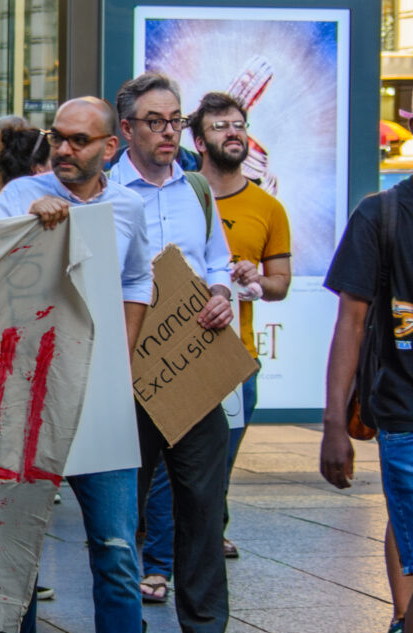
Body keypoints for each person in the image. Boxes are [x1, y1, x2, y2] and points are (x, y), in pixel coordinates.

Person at [0, 97, 152, 633]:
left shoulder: (126, 208)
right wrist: (25, 229)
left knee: (117, 552)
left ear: (110, 148)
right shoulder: (18, 196)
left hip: (99, 402)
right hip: (26, 400)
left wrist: (120, 353)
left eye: (79, 140)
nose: (63, 148)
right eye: (57, 137)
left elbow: (135, 279)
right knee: (16, 560)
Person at [138, 91, 292, 602]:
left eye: (240, 124)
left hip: (226, 358)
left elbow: (278, 283)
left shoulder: (265, 206)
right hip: (153, 358)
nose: (235, 133)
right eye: (222, 125)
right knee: (159, 476)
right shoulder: (180, 190)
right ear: (198, 139)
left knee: (208, 479)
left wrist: (237, 282)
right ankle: (157, 564)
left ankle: (197, 580)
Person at [109, 72, 233, 633]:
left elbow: (217, 263)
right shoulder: (106, 196)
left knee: (203, 508)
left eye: (175, 121)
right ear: (127, 127)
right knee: (122, 511)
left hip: (192, 370)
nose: (168, 133)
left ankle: (204, 628)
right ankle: (121, 621)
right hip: (129, 374)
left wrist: (221, 295)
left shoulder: (197, 191)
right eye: (155, 122)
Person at [320, 164, 413, 633]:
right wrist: (335, 424)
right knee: (408, 519)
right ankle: (402, 619)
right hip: (404, 409)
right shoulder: (382, 215)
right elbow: (350, 323)